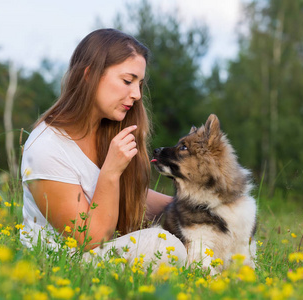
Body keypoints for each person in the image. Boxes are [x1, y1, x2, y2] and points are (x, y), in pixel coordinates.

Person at [20, 28, 186, 267]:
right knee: (163, 247)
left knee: (201, 235)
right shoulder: (46, 146)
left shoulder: (107, 130)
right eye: (127, 81)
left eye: (140, 84)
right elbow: (92, 239)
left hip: (98, 257)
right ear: (90, 75)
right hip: (59, 265)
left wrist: (196, 208)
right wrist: (111, 171)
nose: (137, 94)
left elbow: (131, 198)